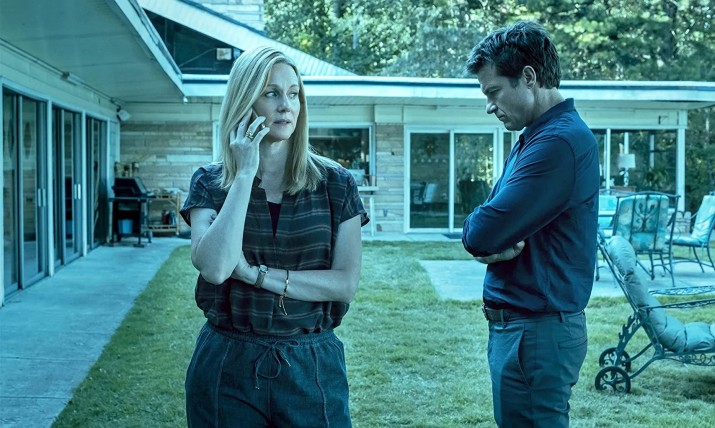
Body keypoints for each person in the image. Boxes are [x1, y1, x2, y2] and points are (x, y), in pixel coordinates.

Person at [180, 46, 368, 427]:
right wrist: (244, 174)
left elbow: (344, 285)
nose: (286, 106)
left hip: (311, 365)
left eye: (293, 94)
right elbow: (215, 268)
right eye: (271, 93)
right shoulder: (210, 182)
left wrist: (255, 275)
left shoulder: (337, 184)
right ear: (244, 103)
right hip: (227, 364)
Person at [461, 21, 599, 427]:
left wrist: (486, 237)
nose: (489, 106)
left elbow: (481, 232)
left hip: (537, 333)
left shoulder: (558, 143)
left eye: (493, 92)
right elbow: (489, 226)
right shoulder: (535, 137)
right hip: (525, 330)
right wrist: (488, 235)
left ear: (528, 77)